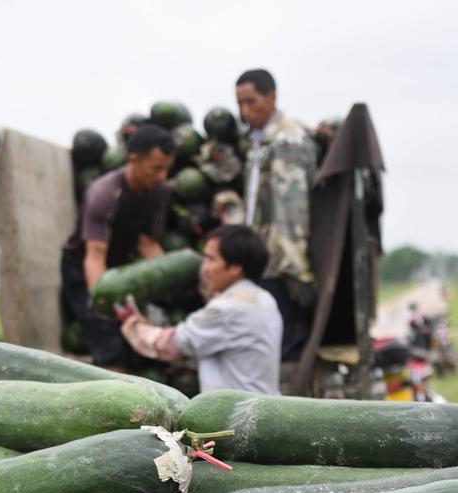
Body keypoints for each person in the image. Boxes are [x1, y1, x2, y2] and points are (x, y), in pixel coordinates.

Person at [116, 224, 282, 394]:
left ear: (235, 268)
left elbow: (173, 345)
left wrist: (134, 324)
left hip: (235, 415)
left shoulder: (227, 308)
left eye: (211, 259)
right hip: (262, 407)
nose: (203, 267)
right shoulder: (265, 299)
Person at [61, 124, 175, 369]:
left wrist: (169, 280)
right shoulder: (103, 194)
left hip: (119, 267)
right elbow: (95, 255)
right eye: (156, 168)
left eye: (167, 168)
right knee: (108, 342)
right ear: (133, 159)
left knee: (134, 344)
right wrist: (102, 303)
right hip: (84, 268)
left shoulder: (159, 191)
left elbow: (148, 244)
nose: (162, 176)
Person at [235, 68, 317, 361]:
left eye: (252, 102)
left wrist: (293, 271)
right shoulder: (260, 140)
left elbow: (290, 213)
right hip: (264, 261)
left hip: (279, 266)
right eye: (240, 103)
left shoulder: (287, 140)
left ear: (272, 98)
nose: (245, 111)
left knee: (284, 355)